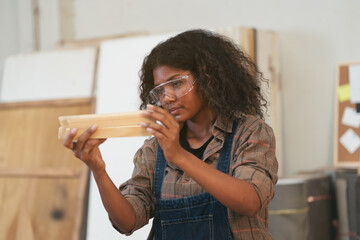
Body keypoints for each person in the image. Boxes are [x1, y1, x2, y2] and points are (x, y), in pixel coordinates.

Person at [63, 29, 278, 239]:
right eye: (161, 90)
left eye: (177, 83)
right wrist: (98, 169)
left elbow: (250, 201)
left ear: (207, 77)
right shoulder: (155, 149)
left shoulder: (249, 132)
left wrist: (178, 155)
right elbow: (127, 222)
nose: (167, 98)